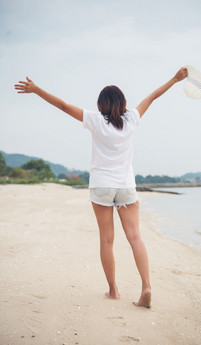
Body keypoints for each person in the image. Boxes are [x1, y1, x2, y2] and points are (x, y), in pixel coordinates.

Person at [14, 67, 188, 308]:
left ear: (101, 105)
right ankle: (146, 287)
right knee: (135, 237)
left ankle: (113, 291)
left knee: (107, 240)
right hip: (126, 186)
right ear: (123, 102)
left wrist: (36, 90)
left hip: (101, 186)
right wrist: (175, 79)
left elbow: (63, 106)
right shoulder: (131, 120)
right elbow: (152, 97)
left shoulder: (96, 120)